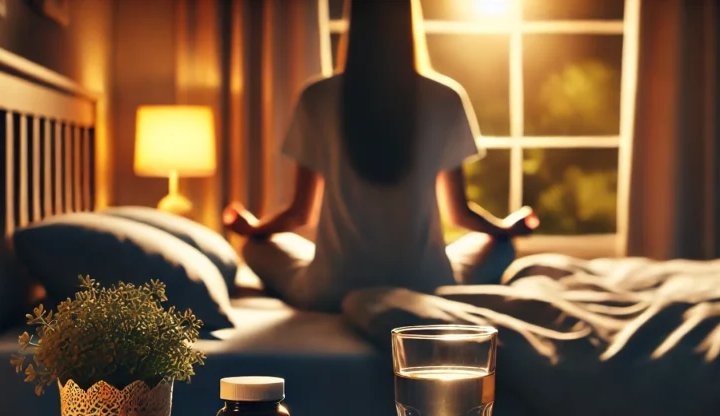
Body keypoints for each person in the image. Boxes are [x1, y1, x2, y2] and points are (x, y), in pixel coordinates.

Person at [223, 0, 538, 312]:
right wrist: (506, 229)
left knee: (255, 247)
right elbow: (460, 214)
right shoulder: (445, 97)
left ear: (354, 20)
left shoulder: (317, 97)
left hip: (333, 289)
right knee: (501, 247)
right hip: (426, 285)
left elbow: (299, 214)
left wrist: (252, 229)